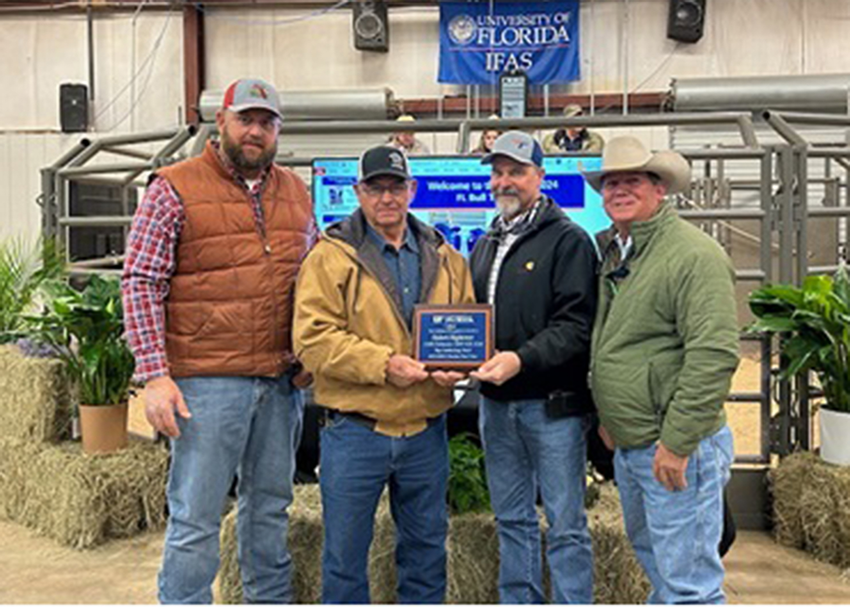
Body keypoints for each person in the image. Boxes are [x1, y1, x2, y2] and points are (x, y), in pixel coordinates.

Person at [122, 78, 317, 604]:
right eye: (246, 119)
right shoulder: (174, 185)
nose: (256, 131)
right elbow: (141, 281)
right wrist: (155, 375)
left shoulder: (297, 191)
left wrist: (312, 354)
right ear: (222, 122)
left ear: (279, 130)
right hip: (205, 383)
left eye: (267, 122)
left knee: (270, 508)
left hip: (280, 382)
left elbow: (315, 281)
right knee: (197, 516)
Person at [292, 144, 474, 603]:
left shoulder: (445, 256)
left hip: (425, 433)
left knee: (427, 555)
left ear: (412, 190)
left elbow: (466, 322)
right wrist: (382, 365)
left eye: (396, 187)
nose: (387, 197)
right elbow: (311, 341)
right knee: (345, 560)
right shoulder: (330, 256)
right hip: (356, 433)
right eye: (376, 188)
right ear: (359, 192)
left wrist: (457, 368)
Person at [586, 135, 738, 604]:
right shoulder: (620, 252)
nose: (619, 191)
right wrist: (610, 419)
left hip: (672, 448)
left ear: (660, 189)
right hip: (636, 445)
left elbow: (713, 354)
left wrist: (677, 442)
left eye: (632, 180)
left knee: (689, 584)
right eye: (611, 183)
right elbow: (620, 343)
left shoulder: (693, 255)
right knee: (664, 570)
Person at [467, 131, 598, 604]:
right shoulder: (485, 244)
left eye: (517, 172)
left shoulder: (569, 241)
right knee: (512, 519)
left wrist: (520, 360)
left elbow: (576, 326)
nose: (505, 182)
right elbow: (468, 323)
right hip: (496, 407)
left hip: (551, 409)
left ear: (540, 177)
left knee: (565, 524)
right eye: (498, 172)